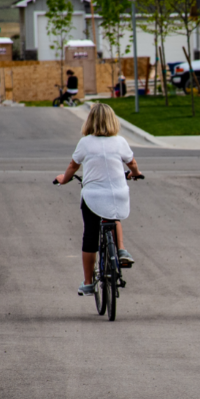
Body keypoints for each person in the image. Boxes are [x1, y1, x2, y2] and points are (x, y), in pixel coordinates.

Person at [55, 103, 141, 296]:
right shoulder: (120, 141)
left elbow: (73, 165)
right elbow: (132, 162)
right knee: (113, 215)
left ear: (90, 121)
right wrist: (135, 173)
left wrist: (64, 179)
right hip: (117, 194)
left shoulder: (85, 142)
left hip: (93, 196)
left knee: (90, 236)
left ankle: (87, 282)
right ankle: (121, 250)